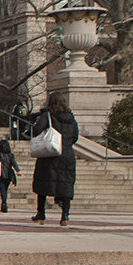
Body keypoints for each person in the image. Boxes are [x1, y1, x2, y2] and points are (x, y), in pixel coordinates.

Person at [29, 92, 80, 226]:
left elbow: (36, 130)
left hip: (50, 153)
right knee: (66, 184)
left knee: (43, 184)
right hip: (67, 154)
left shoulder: (48, 115)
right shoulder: (71, 118)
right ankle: (65, 215)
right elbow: (75, 136)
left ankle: (41, 214)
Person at [0, 139, 18, 213]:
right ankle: (4, 203)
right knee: (5, 189)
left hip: (0, 174)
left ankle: (4, 203)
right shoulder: (10, 155)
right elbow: (14, 163)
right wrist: (18, 170)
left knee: (2, 190)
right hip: (8, 174)